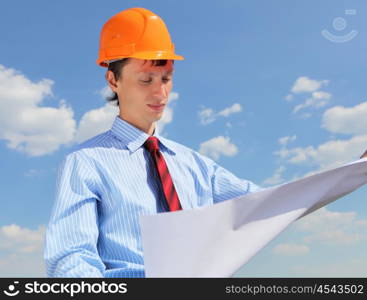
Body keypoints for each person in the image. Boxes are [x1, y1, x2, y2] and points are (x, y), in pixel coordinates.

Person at [44, 7, 366, 278]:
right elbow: (70, 261)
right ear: (113, 80)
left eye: (167, 79)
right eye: (145, 80)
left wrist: (356, 171)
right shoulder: (85, 163)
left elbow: (273, 204)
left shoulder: (195, 166)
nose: (160, 93)